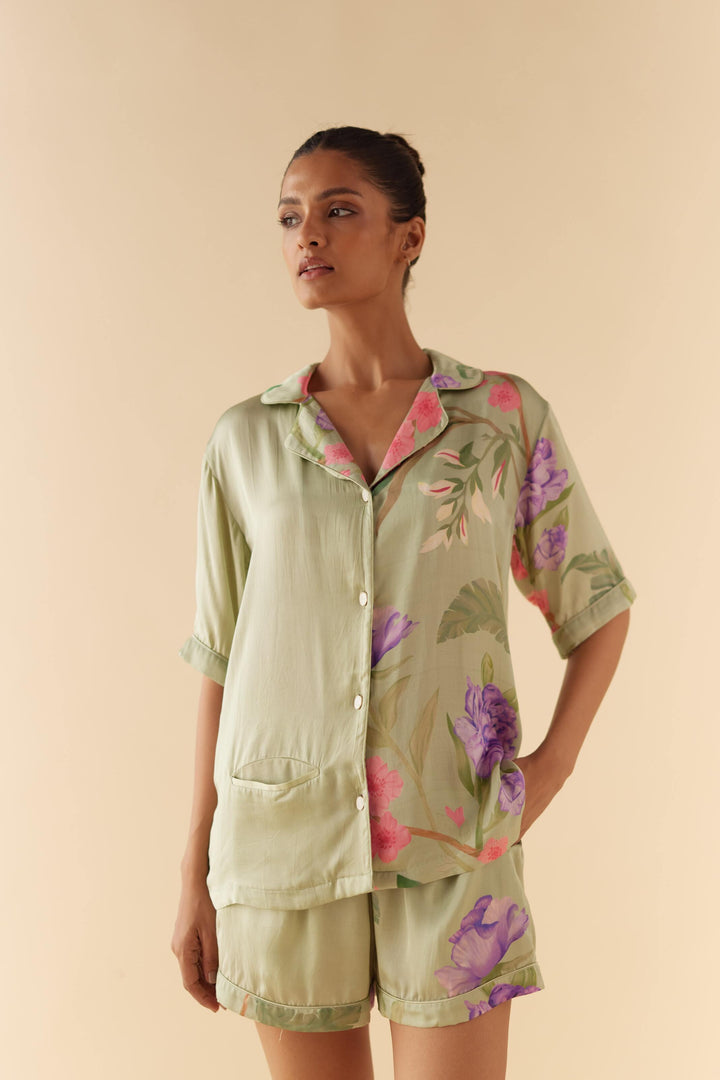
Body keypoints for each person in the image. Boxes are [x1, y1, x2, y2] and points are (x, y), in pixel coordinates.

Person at [171, 126, 635, 1080]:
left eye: (340, 210)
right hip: (282, 847)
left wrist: (549, 772)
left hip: (456, 835)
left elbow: (597, 604)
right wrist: (194, 874)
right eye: (291, 217)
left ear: (409, 237)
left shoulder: (500, 419)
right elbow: (220, 658)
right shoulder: (245, 441)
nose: (309, 235)